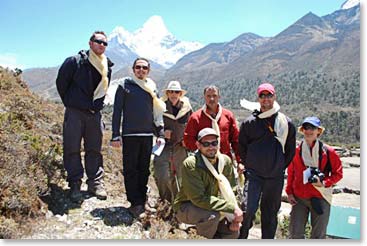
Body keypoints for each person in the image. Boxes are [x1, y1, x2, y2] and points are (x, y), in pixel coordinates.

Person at [56, 31, 113, 202]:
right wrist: (71, 102)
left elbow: (103, 90)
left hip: (94, 114)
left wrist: (96, 106)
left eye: (104, 43)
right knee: (72, 147)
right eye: (98, 41)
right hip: (75, 112)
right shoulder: (75, 61)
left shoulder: (107, 67)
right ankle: (74, 183)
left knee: (94, 149)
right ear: (90, 43)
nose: (101, 45)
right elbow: (61, 83)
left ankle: (95, 183)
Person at [238, 82, 296, 239]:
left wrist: (278, 166)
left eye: (269, 95)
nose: (266, 99)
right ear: (258, 99)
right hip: (254, 175)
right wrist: (250, 165)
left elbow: (290, 151)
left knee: (270, 214)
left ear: (274, 97)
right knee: (248, 210)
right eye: (262, 96)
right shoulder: (250, 123)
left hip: (274, 176)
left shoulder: (286, 123)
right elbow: (242, 147)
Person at [110, 57, 165, 218]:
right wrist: (115, 134)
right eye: (138, 67)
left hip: (147, 135)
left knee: (144, 170)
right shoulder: (124, 86)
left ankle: (142, 199)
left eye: (144, 68)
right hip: (130, 135)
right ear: (133, 69)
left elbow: (157, 114)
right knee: (131, 169)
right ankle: (135, 203)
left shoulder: (152, 88)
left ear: (148, 71)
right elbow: (117, 112)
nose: (141, 70)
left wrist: (160, 133)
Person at [173, 128, 243, 239]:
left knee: (232, 232)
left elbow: (233, 190)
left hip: (214, 205)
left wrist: (235, 215)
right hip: (186, 206)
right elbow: (199, 198)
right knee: (211, 216)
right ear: (198, 145)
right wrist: (231, 208)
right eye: (205, 144)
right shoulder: (191, 164)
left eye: (214, 143)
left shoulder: (225, 161)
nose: (211, 147)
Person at [286, 116, 343, 239]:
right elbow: (291, 172)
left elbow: (338, 174)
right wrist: (289, 192)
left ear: (319, 131)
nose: (309, 131)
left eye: (312, 128)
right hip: (299, 197)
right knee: (295, 234)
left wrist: (324, 183)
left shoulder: (329, 152)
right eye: (306, 128)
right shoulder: (296, 151)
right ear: (302, 130)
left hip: (321, 196)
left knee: (318, 236)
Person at [153, 81, 192, 203]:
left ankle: (179, 204)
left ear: (180, 94)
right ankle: (166, 201)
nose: (174, 94)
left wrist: (188, 140)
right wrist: (161, 133)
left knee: (182, 177)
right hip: (164, 146)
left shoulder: (187, 109)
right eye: (171, 91)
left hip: (180, 147)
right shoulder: (161, 107)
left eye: (176, 92)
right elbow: (153, 123)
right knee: (162, 175)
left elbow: (191, 126)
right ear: (167, 93)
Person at [183, 85, 241, 163]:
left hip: (225, 161)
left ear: (219, 97)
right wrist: (203, 149)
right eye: (208, 96)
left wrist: (239, 161)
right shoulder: (195, 117)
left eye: (214, 96)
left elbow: (236, 140)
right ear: (204, 97)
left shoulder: (228, 115)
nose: (212, 99)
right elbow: (188, 139)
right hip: (203, 162)